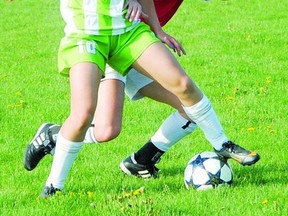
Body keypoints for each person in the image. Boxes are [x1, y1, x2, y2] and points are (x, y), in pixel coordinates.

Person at [24, 0, 260, 198]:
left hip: (128, 33)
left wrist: (157, 30)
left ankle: (217, 144)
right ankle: (54, 180)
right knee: (94, 121)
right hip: (89, 38)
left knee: (185, 92)